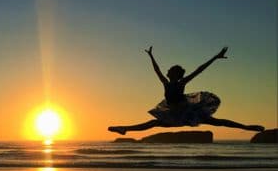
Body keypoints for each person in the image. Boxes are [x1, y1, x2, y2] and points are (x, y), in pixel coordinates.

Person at [108, 46, 265, 135]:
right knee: (152, 123)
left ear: (174, 74)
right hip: (174, 114)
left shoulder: (180, 82)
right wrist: (151, 56)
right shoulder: (166, 83)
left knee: (219, 122)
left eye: (169, 71)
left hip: (188, 112)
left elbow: (200, 69)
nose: (167, 72)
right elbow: (157, 70)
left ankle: (248, 127)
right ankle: (124, 129)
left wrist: (216, 57)